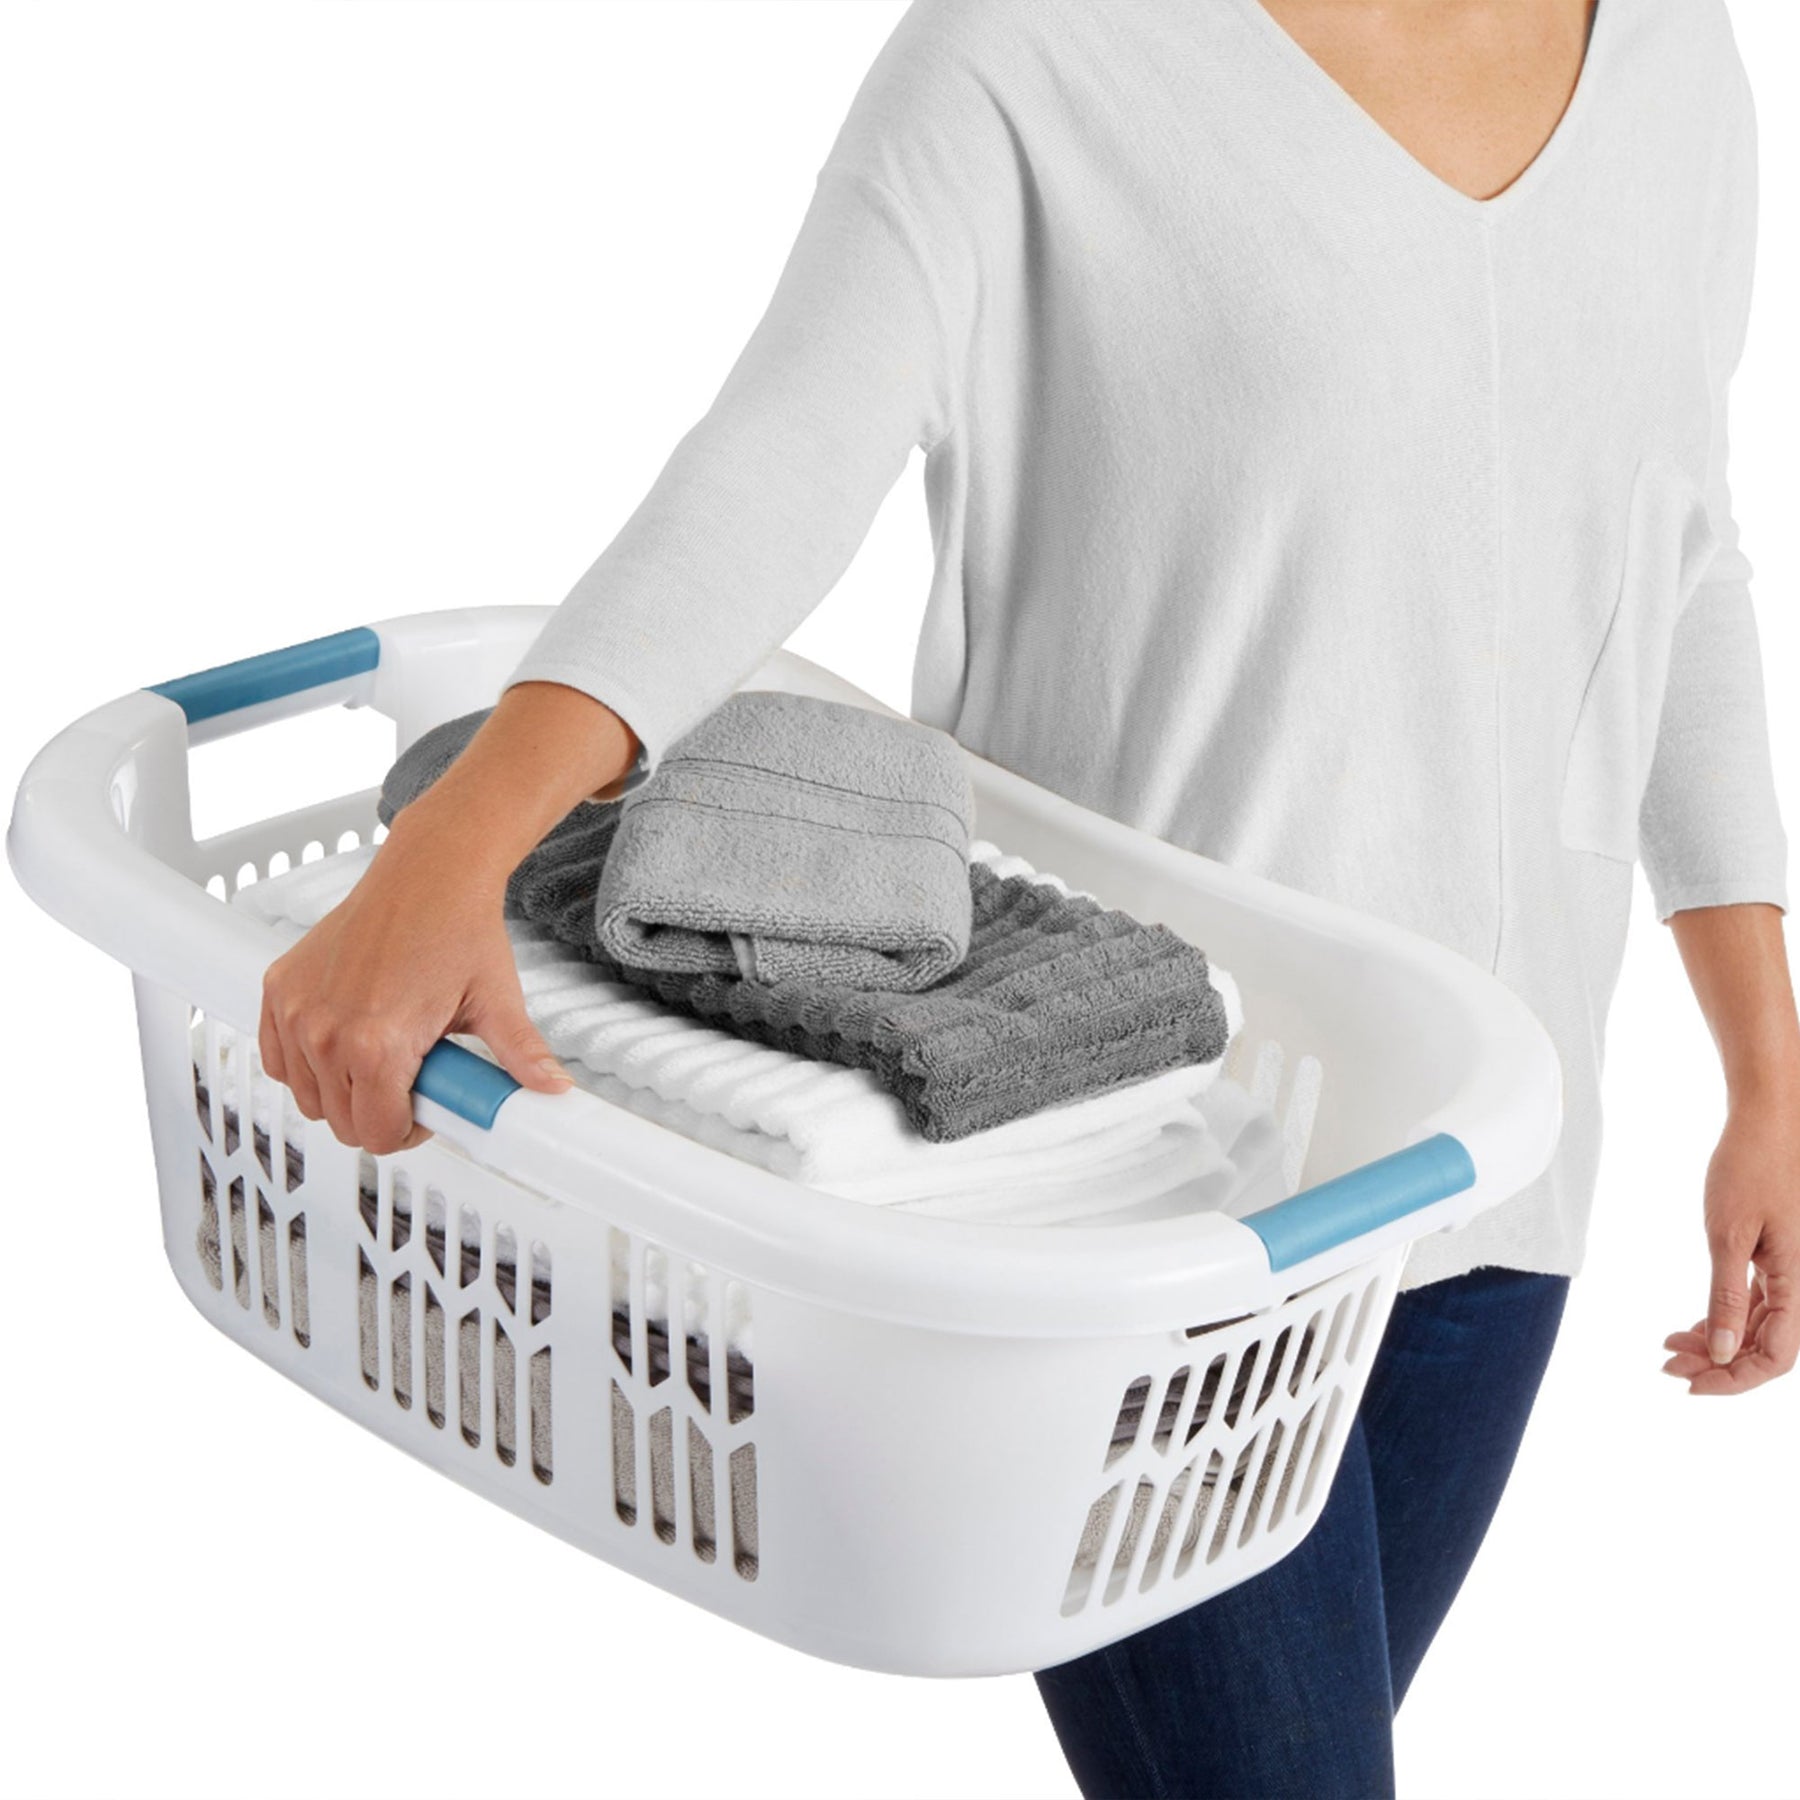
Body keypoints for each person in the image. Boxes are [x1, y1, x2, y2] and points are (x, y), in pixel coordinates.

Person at [258, 1, 1798, 1793]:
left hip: (1490, 1181)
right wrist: (451, 846)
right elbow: (775, 468)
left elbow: (1682, 560)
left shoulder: (1675, 66)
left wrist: (1763, 1073)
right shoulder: (1036, 52)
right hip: (1137, 1195)